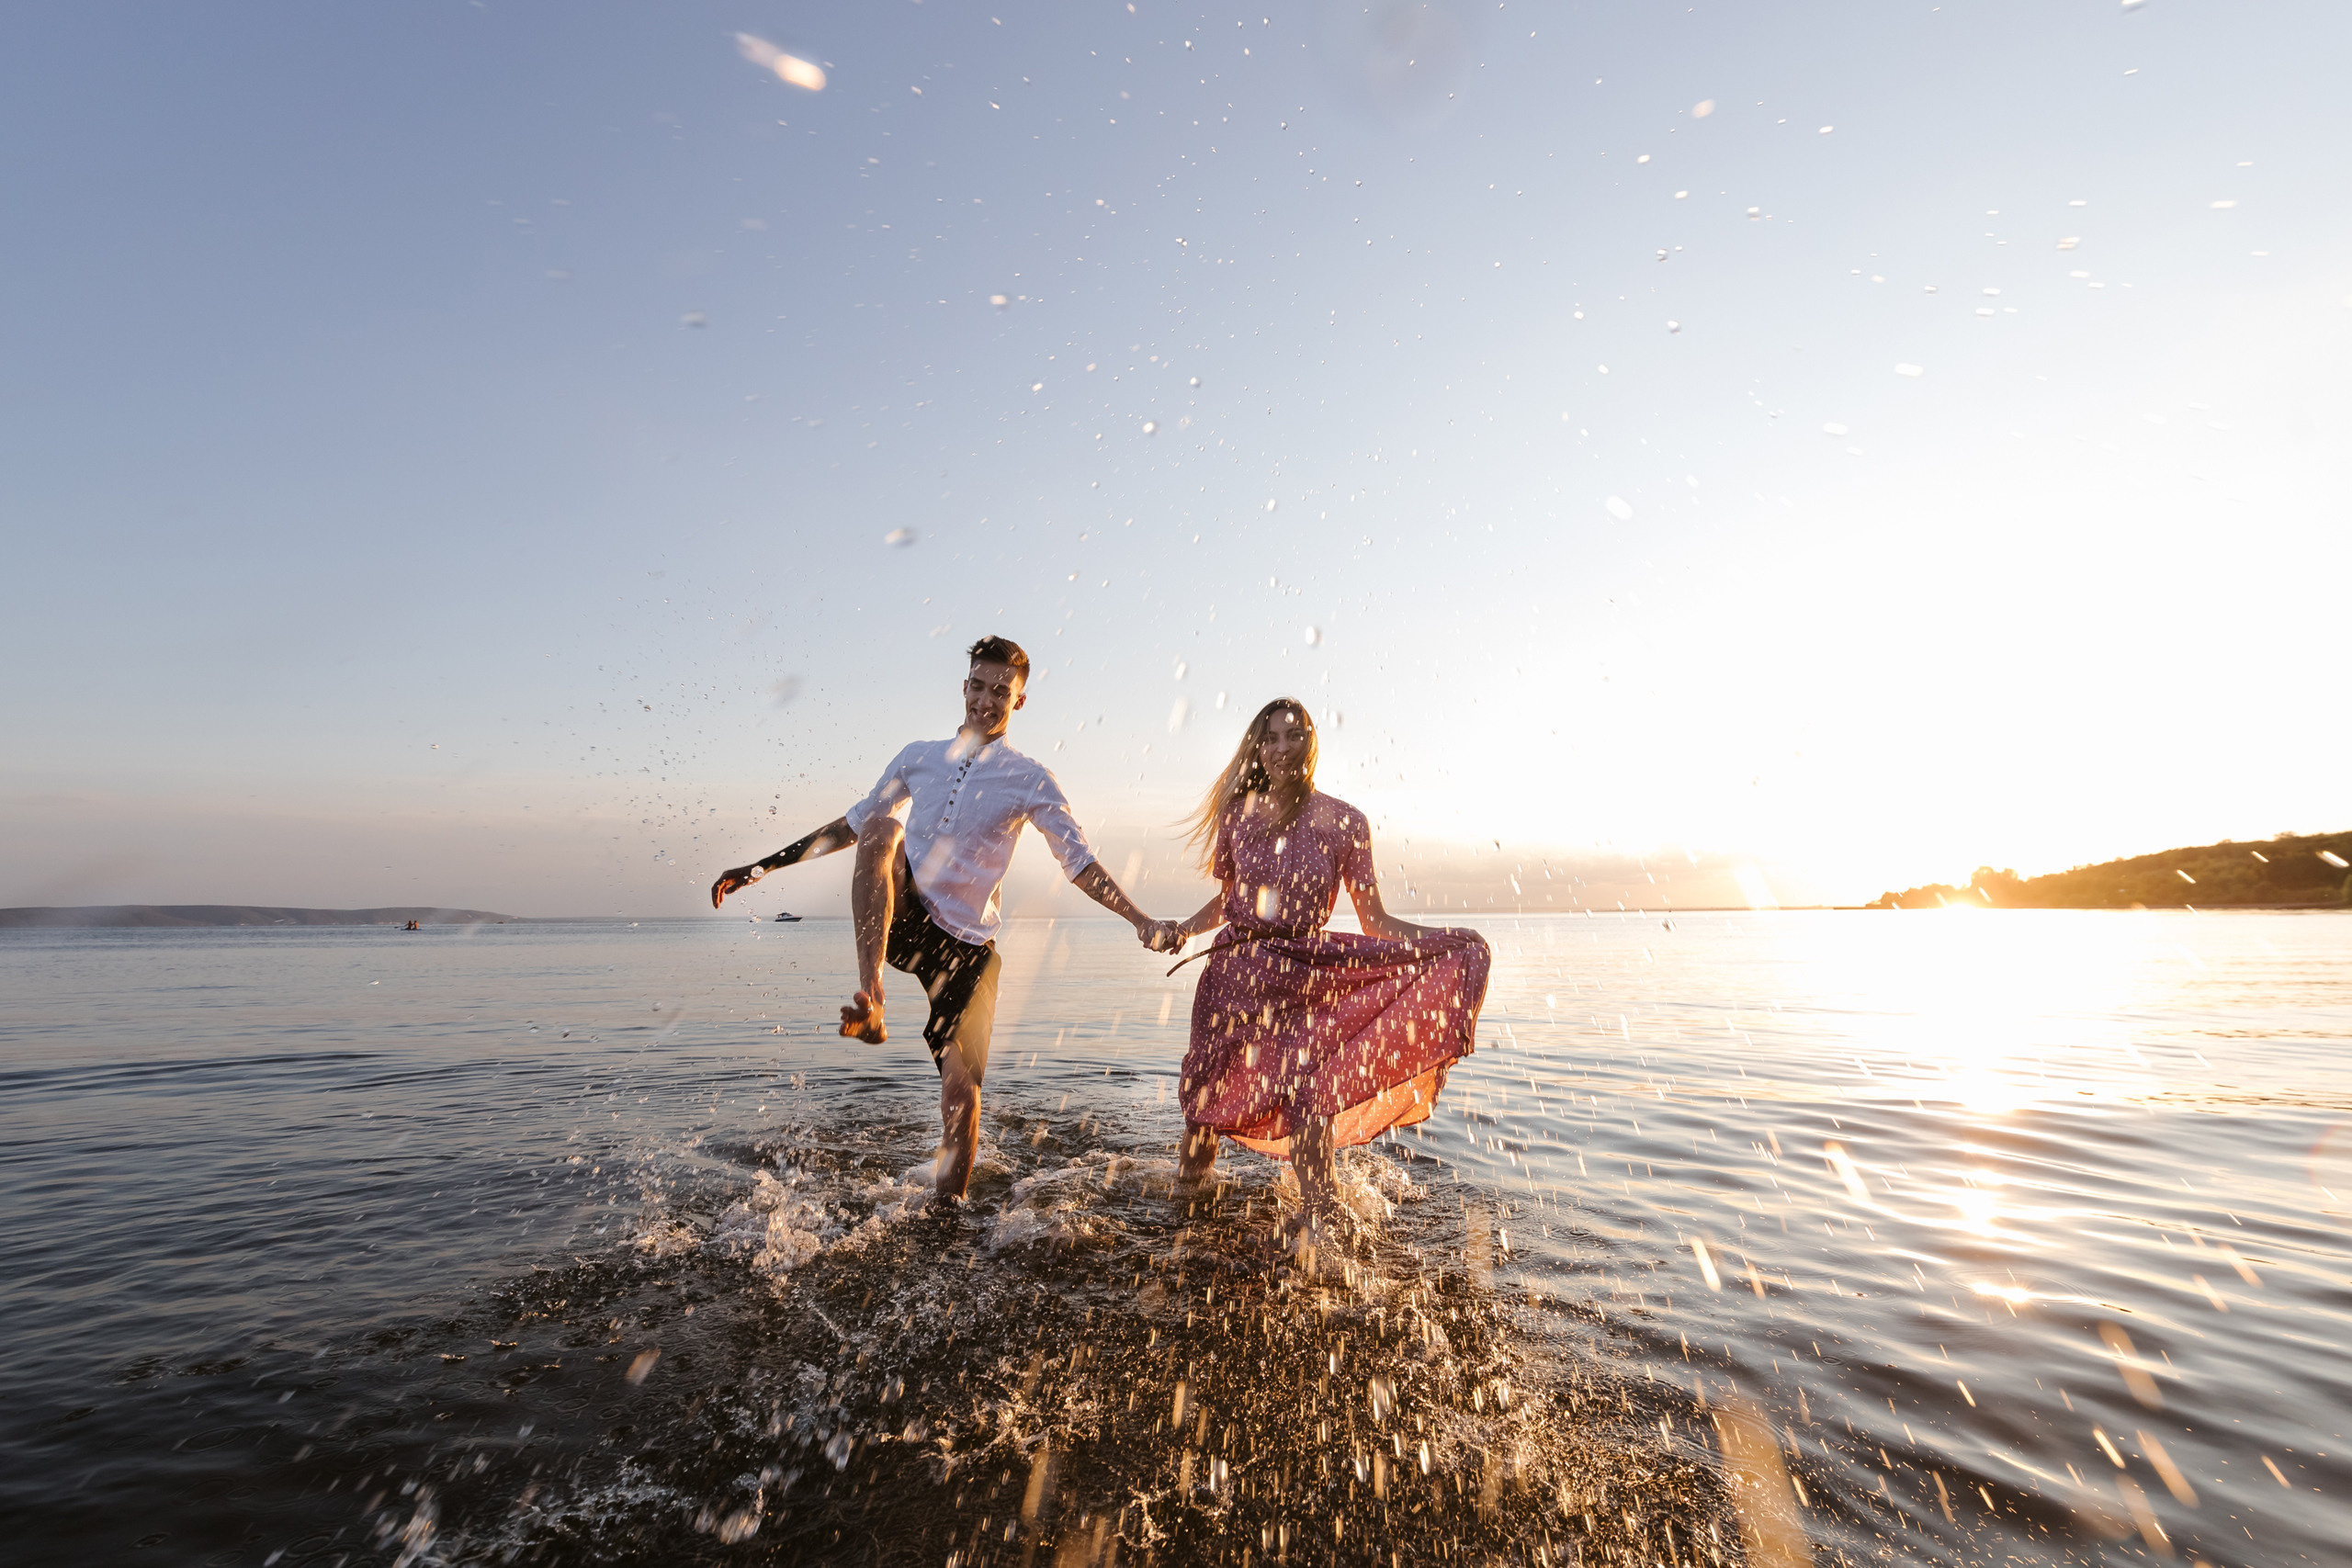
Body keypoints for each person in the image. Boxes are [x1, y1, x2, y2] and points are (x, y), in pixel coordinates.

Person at [712, 636, 1170, 1206]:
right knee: (882, 828)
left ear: (1018, 703)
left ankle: (946, 1221)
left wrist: (1140, 919)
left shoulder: (1029, 777)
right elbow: (851, 827)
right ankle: (872, 996)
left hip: (969, 951)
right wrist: (761, 867)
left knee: (963, 1094)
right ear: (964, 686)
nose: (986, 700)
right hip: (907, 920)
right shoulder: (919, 757)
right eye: (978, 686)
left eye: (1001, 691)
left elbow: (1078, 862)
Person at [1150, 698, 1489, 1255]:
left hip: (1306, 977)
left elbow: (1375, 921)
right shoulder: (1238, 813)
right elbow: (1229, 902)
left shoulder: (1345, 821)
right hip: (1233, 978)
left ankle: (1322, 1237)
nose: (1283, 748)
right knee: (1205, 1106)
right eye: (1272, 738)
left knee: (1310, 1097)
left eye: (1295, 736)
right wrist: (1183, 930)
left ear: (1312, 744)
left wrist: (1445, 939)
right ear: (1257, 748)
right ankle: (1183, 1220)